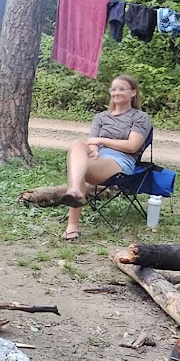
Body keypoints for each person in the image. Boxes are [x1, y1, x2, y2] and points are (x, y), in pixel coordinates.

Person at [56, 75, 153, 242]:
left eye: (122, 89)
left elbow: (132, 146)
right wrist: (94, 149)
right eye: (113, 89)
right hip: (98, 156)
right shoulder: (101, 117)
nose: (116, 92)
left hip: (121, 160)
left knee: (77, 167)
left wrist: (101, 141)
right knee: (77, 144)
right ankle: (75, 191)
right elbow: (91, 142)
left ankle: (73, 223)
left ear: (133, 93)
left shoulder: (139, 117)